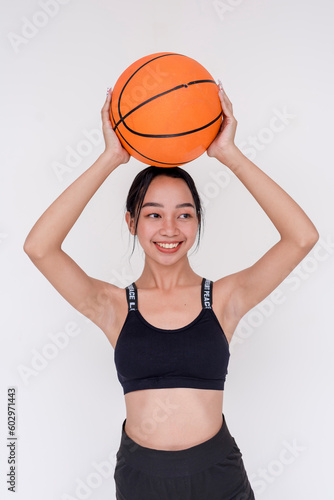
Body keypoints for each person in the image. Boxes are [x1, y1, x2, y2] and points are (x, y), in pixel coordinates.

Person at [23, 81, 319, 500]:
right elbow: (39, 248)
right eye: (153, 214)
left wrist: (228, 154)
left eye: (184, 214)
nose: (169, 229)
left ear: (197, 221)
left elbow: (302, 237)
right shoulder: (112, 307)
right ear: (132, 222)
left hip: (219, 477)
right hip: (142, 480)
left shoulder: (223, 300)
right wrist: (110, 158)